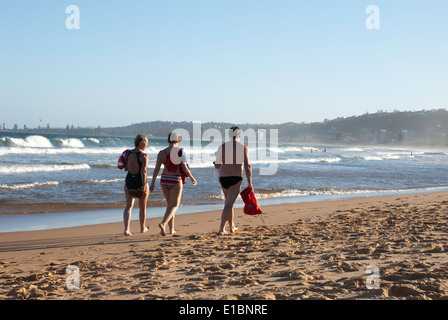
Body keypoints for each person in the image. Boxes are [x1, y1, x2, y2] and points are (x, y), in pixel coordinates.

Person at [150, 131, 197, 236]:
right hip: (175, 179)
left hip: (164, 179)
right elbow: (184, 168)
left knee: (170, 205)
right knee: (175, 205)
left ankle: (171, 230)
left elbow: (156, 168)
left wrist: (152, 182)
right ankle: (163, 223)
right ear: (177, 140)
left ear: (168, 139)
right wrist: (192, 177)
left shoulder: (161, 153)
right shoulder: (180, 151)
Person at [214, 126, 252, 235]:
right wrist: (250, 182)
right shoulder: (243, 147)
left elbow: (217, 166)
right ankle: (221, 229)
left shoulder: (222, 147)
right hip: (236, 179)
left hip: (223, 178)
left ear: (229, 135)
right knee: (228, 204)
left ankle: (232, 227)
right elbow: (247, 165)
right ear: (240, 135)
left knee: (228, 203)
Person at [123, 134, 150, 236]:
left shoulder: (128, 154)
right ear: (142, 142)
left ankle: (126, 229)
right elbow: (143, 171)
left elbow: (125, 168)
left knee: (129, 206)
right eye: (146, 142)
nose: (147, 145)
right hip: (140, 181)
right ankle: (142, 228)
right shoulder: (144, 155)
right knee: (142, 206)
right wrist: (143, 185)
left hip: (129, 180)